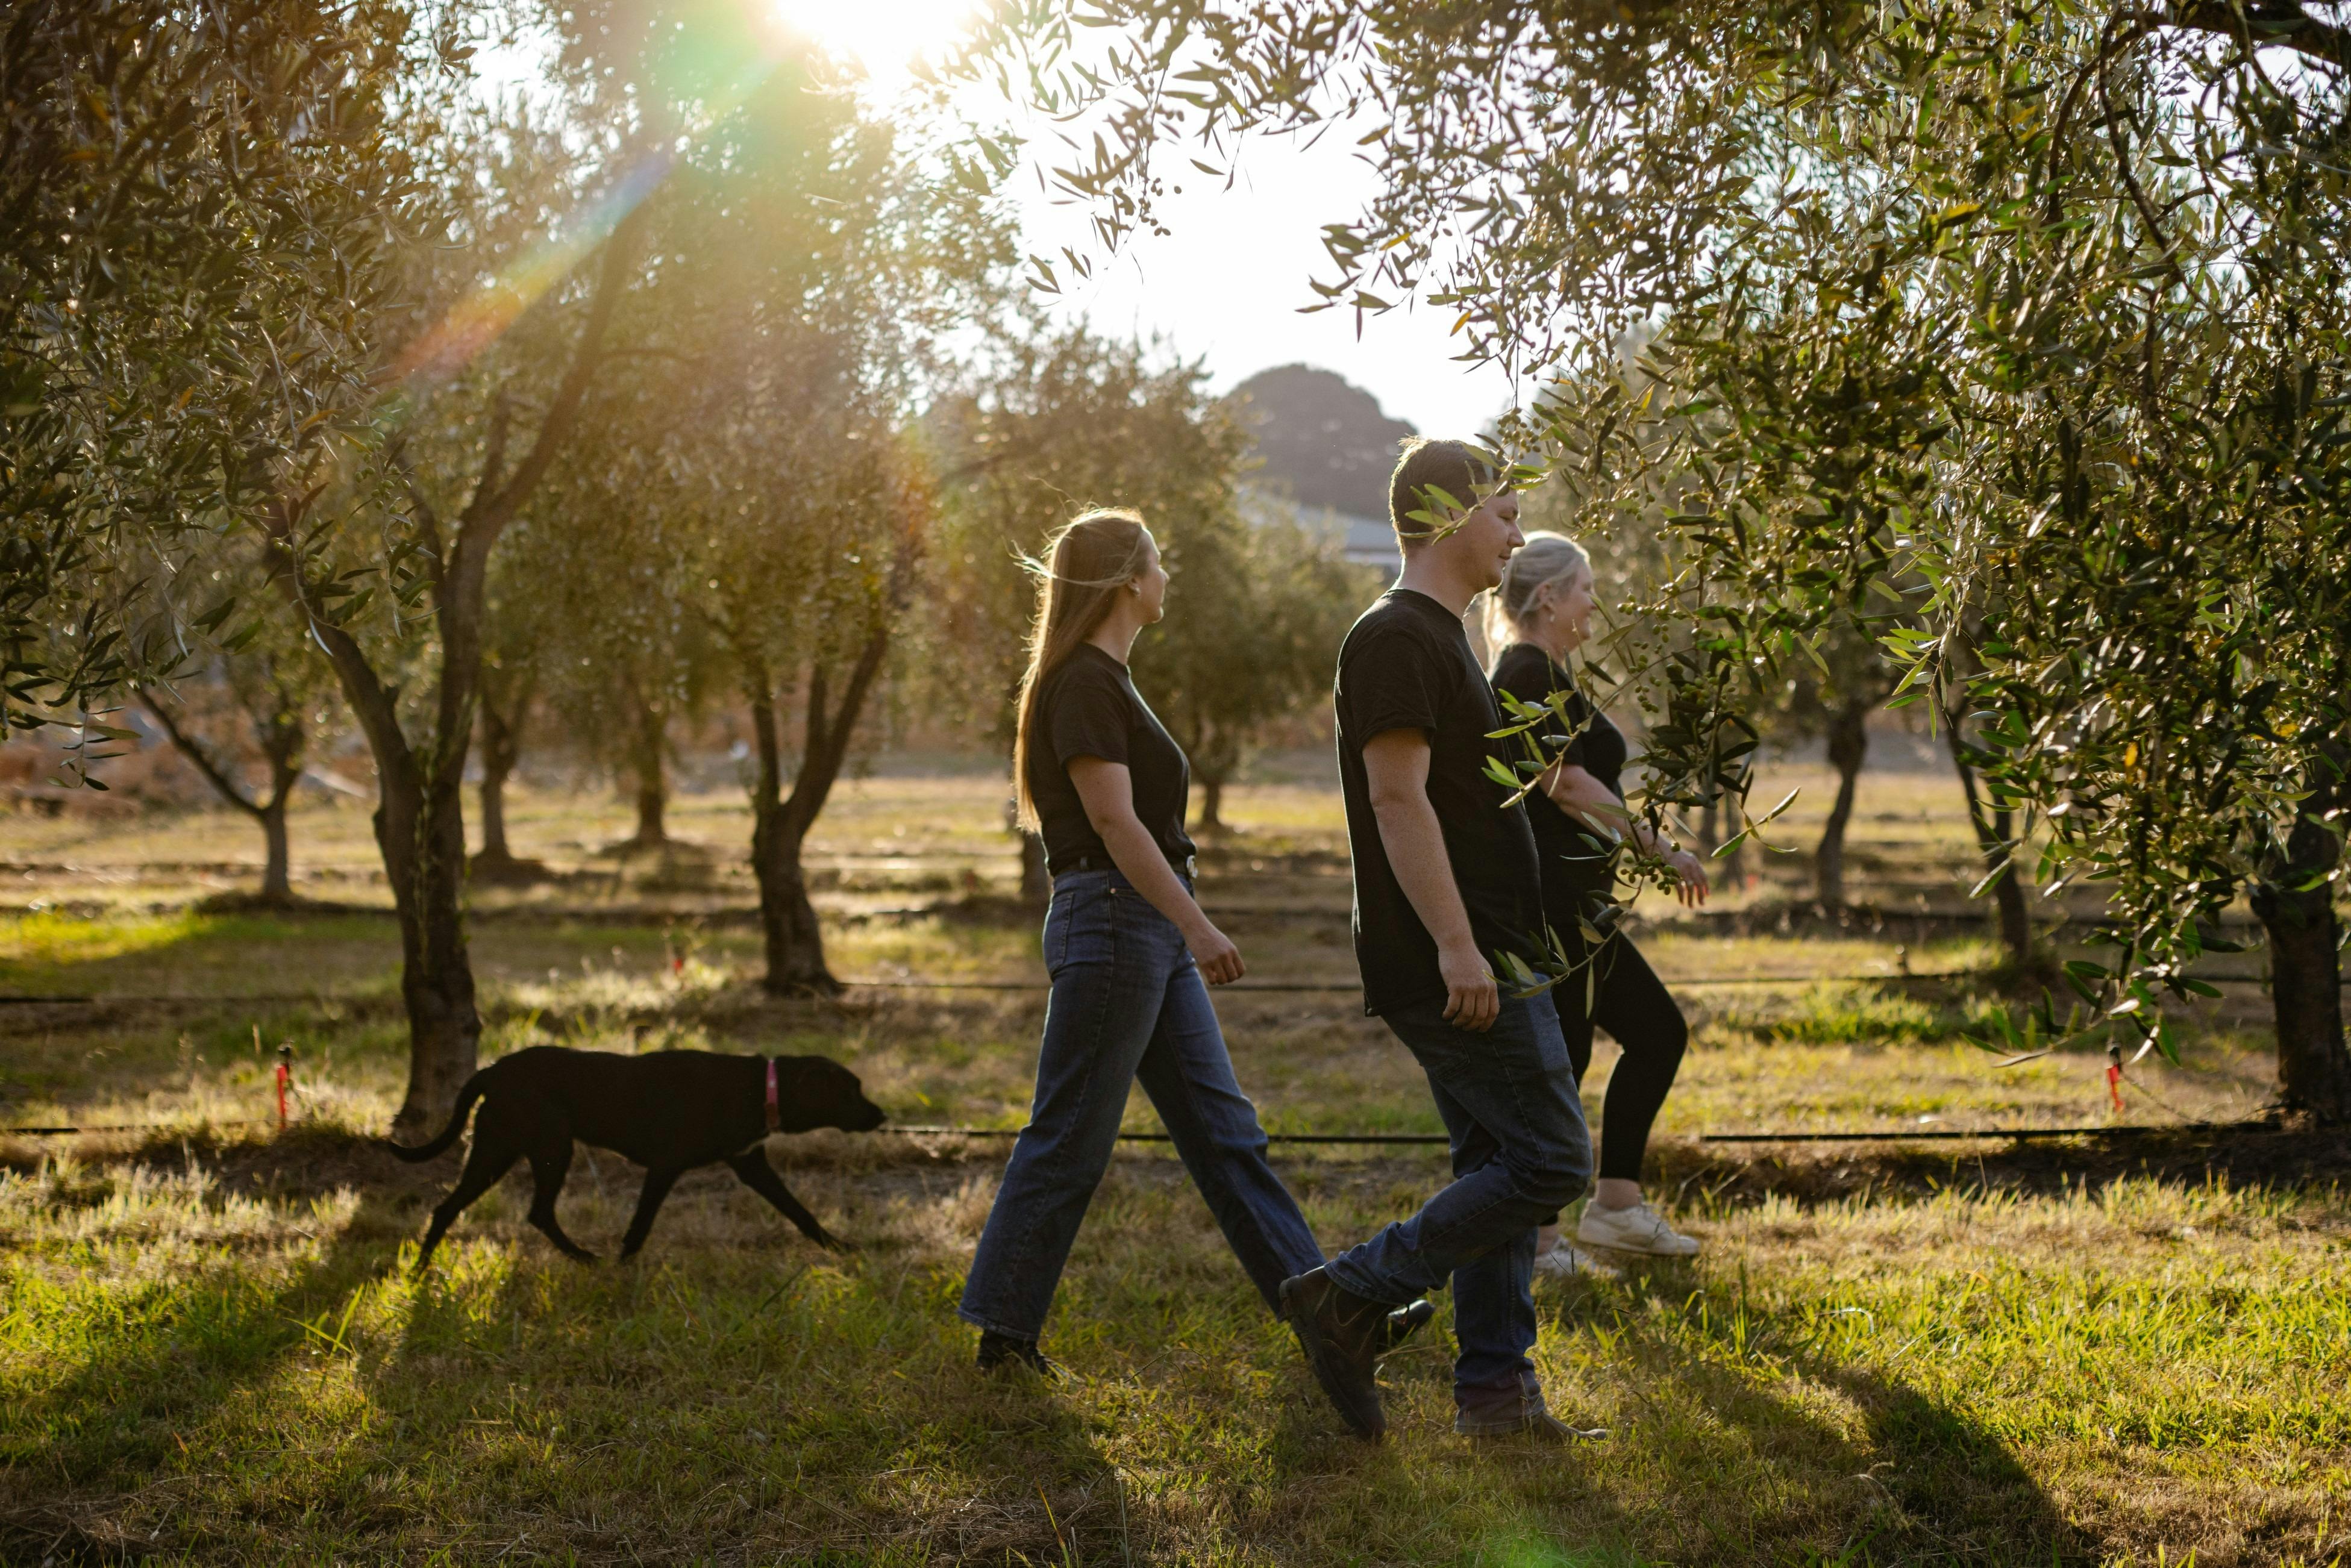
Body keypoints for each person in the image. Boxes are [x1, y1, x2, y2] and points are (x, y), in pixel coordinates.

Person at [959, 507, 1429, 1376]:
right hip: (1114, 918)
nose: (1167, 575)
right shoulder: (1085, 683)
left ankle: (1326, 1311)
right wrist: (1196, 922)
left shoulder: (1104, 677)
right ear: (1127, 581)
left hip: (1137, 925)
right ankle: (1004, 1331)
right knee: (1068, 1134)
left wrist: (1176, 925)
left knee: (1225, 1135)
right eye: (1158, 560)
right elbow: (1113, 821)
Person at [1279, 441, 1601, 1445]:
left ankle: (1497, 1400)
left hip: (1501, 947)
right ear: (1447, 513)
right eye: (1503, 514)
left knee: (1497, 1165)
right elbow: (1393, 795)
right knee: (1551, 1160)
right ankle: (1348, 1292)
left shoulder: (1442, 635)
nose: (1514, 536)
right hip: (1461, 960)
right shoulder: (1393, 639)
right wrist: (1458, 944)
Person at [1486, 533, 1706, 1272]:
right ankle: (1542, 1240)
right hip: (1551, 907)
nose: (1592, 603)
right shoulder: (1523, 671)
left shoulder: (1546, 671)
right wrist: (1660, 849)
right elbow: (1568, 784)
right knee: (1576, 1054)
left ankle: (1610, 1208)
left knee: (1645, 1035)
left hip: (1578, 904)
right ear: (1547, 597)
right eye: (1583, 588)